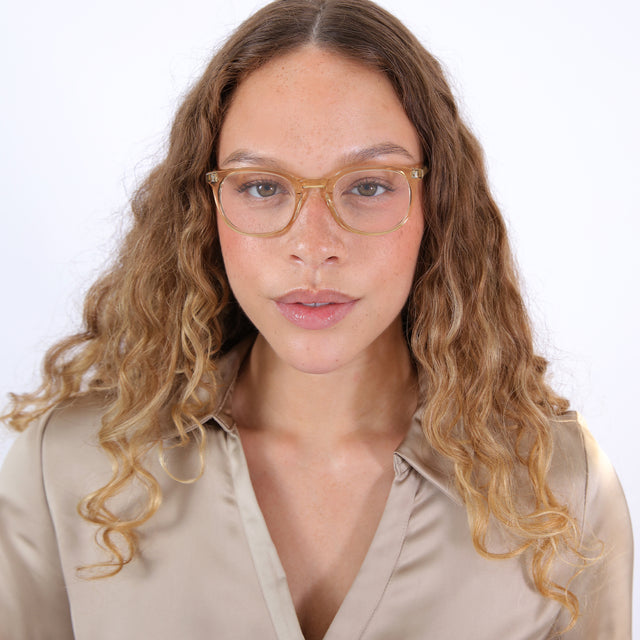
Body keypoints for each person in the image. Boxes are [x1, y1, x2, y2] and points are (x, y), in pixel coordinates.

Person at [0, 0, 632, 638]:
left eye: (368, 185)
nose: (313, 245)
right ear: (204, 209)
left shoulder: (558, 491)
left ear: (437, 203)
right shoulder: (67, 471)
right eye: (262, 186)